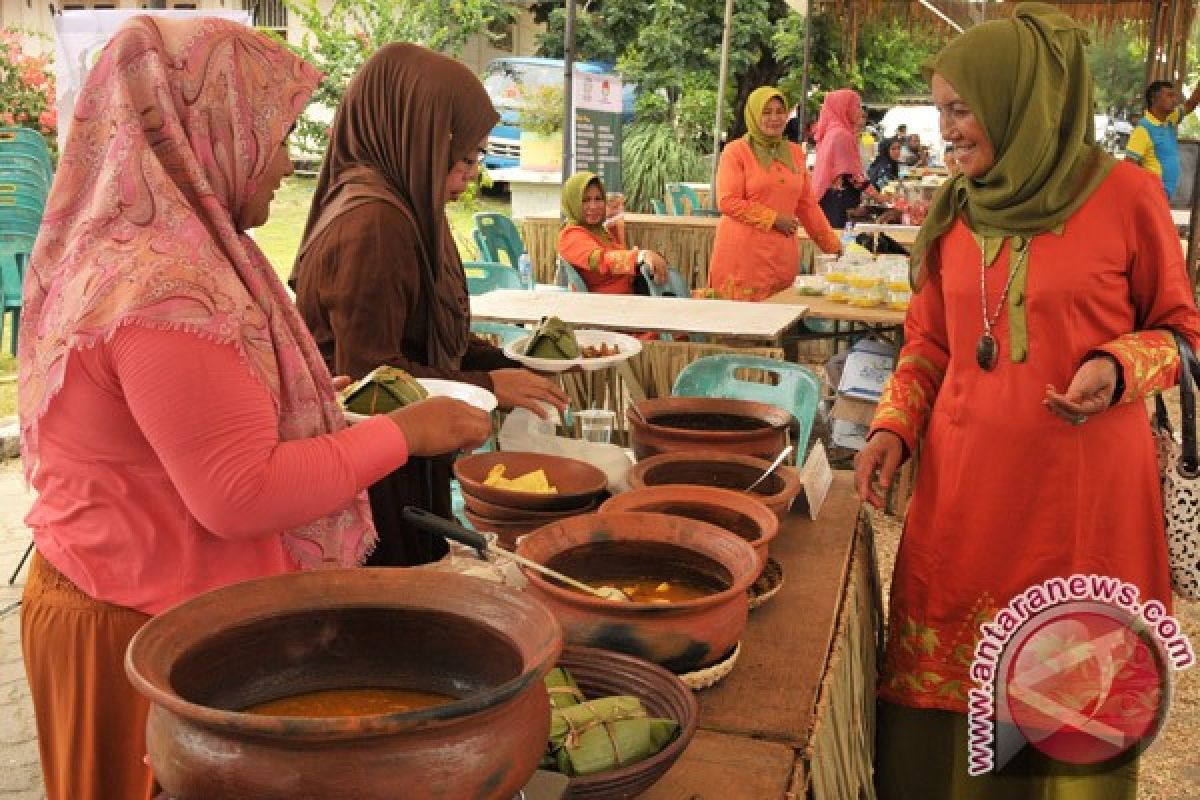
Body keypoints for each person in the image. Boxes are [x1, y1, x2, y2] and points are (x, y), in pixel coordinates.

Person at [16, 17, 492, 800]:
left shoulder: (151, 242)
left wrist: (303, 405)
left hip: (137, 600)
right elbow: (240, 492)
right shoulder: (163, 284)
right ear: (205, 125)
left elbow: (188, 425)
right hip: (132, 626)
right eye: (271, 134)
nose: (286, 162)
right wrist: (402, 434)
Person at [853, 5, 1200, 798]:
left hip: (1085, 510)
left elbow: (1182, 333)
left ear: (1021, 100)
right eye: (939, 110)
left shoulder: (1126, 197)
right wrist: (892, 428)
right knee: (956, 735)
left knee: (1076, 718)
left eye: (961, 108)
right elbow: (927, 344)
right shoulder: (955, 211)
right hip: (966, 503)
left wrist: (1117, 366)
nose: (946, 131)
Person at [292, 43, 568, 568]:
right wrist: (486, 387)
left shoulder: (412, 202)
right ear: (416, 136)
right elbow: (371, 380)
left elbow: (428, 333)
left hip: (404, 462)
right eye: (463, 156)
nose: (471, 173)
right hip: (375, 485)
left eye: (477, 156)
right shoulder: (374, 222)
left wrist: (509, 365)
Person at [707, 87, 840, 301]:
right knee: (741, 327)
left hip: (782, 256)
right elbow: (727, 201)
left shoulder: (795, 153)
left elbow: (807, 206)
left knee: (780, 323)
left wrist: (834, 247)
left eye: (780, 111)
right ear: (753, 114)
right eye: (766, 112)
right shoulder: (736, 151)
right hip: (743, 256)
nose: (774, 118)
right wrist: (774, 219)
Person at [556, 171, 668, 294]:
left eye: (598, 199)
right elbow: (600, 260)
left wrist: (640, 256)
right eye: (585, 200)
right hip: (608, 305)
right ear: (573, 203)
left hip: (628, 295)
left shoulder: (599, 231)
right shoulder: (571, 235)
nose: (593, 206)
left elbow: (617, 254)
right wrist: (639, 256)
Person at [812, 88, 878, 230]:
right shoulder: (841, 135)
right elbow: (853, 176)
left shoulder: (832, 131)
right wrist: (878, 197)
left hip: (830, 200)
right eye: (856, 106)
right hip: (839, 203)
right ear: (844, 108)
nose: (860, 112)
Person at [1125, 79, 1200, 200]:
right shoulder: (1143, 129)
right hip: (1151, 196)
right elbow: (1129, 166)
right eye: (1169, 96)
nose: (1174, 100)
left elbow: (1190, 104)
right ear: (1154, 99)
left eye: (1174, 96)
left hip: (1162, 196)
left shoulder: (1170, 119)